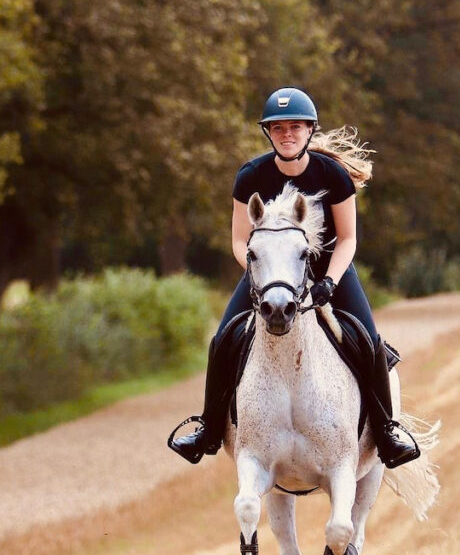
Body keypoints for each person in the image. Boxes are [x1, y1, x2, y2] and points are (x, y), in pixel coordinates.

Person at [169, 87, 419, 469]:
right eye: (278, 127)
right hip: (271, 274)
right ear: (268, 133)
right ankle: (208, 427)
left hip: (327, 269)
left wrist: (330, 283)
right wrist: (262, 278)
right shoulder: (251, 175)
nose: (287, 134)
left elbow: (348, 239)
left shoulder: (332, 174)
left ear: (309, 131)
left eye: (296, 127)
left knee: (369, 340)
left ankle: (386, 432)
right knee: (222, 340)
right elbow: (239, 240)